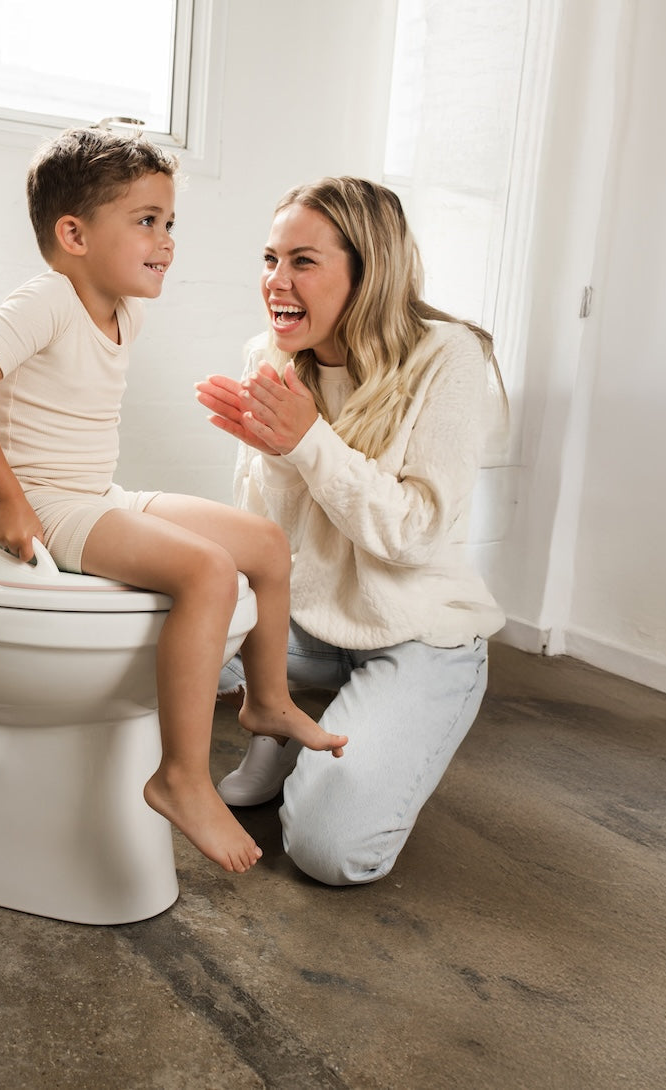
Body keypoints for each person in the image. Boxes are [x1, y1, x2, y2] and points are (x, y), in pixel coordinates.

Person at [0, 127, 347, 875]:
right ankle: (180, 776)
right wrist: (4, 501)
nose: (166, 240)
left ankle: (266, 700)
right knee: (209, 573)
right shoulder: (46, 300)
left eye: (170, 222)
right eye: (146, 220)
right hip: (52, 508)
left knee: (261, 545)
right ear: (74, 233)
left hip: (96, 494)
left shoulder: (124, 310)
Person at [195, 176, 507, 886]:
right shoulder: (268, 356)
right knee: (145, 630)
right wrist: (275, 455)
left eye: (302, 261)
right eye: (269, 259)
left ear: (368, 272)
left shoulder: (446, 356)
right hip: (302, 625)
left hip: (413, 632)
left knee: (332, 853)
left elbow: (415, 534)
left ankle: (324, 742)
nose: (276, 280)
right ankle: (277, 718)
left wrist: (307, 441)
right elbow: (262, 531)